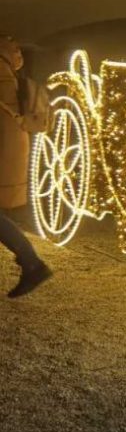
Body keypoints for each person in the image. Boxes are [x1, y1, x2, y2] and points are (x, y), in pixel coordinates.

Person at [0, 36, 52, 297]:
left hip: (3, 148)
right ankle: (32, 264)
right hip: (9, 147)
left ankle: (32, 264)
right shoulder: (5, 69)